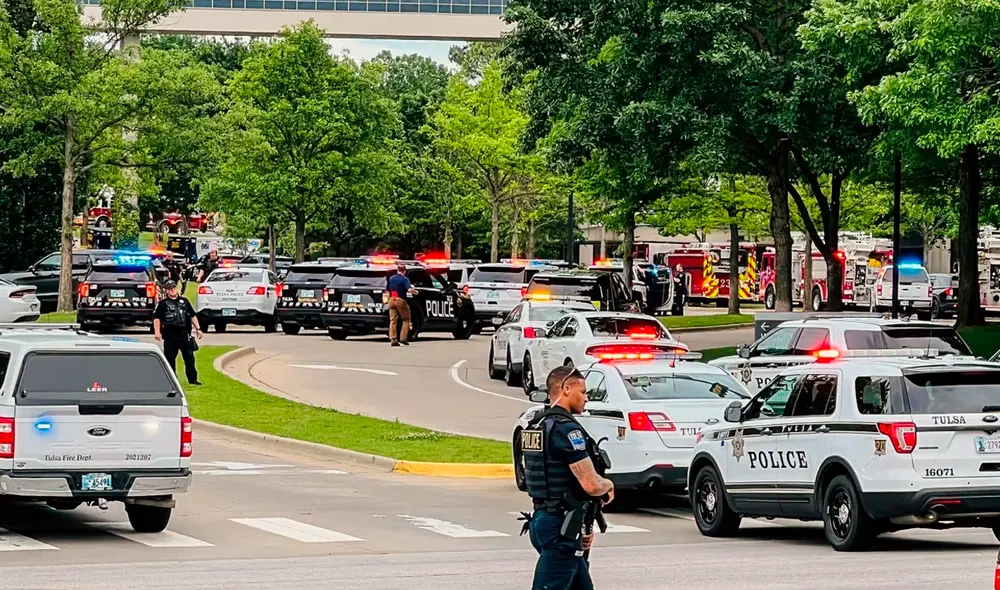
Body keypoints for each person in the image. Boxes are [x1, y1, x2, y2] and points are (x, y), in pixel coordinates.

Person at [521, 366, 614, 590]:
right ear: (566, 389)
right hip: (560, 529)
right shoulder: (566, 429)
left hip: (546, 520)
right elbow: (591, 484)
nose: (587, 398)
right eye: (582, 392)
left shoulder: (537, 426)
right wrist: (609, 485)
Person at [153, 280, 203, 385]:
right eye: (170, 288)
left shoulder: (184, 301)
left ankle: (192, 380)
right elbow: (157, 319)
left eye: (174, 288)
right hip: (170, 335)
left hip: (184, 335)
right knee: (170, 359)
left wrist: (198, 329)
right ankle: (172, 380)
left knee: (189, 358)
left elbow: (193, 315)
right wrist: (157, 332)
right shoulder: (162, 304)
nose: (172, 290)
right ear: (166, 290)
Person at [385, 264, 417, 347]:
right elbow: (409, 290)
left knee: (393, 320)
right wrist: (415, 291)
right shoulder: (405, 279)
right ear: (404, 271)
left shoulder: (391, 278)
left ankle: (393, 339)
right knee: (406, 319)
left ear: (397, 270)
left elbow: (387, 290)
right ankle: (403, 338)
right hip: (400, 299)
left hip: (392, 299)